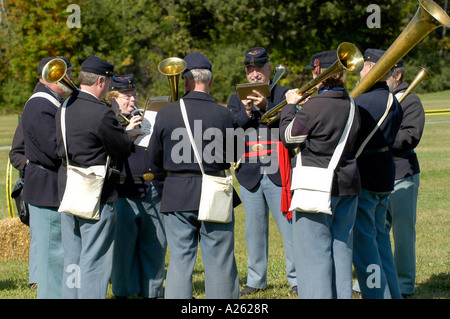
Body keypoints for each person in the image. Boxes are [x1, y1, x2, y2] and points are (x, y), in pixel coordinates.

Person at [148, 52, 240, 299]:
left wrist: (164, 186)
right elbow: (235, 154)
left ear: (185, 79)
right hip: (215, 190)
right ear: (210, 81)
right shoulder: (224, 114)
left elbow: (154, 158)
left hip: (177, 192)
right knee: (220, 261)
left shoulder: (165, 114)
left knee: (179, 262)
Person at [55, 55, 142, 299]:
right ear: (101, 81)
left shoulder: (63, 106)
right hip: (95, 191)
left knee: (73, 258)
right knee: (95, 258)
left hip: (67, 185)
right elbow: (121, 148)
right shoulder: (101, 113)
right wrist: (129, 135)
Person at [279, 51, 361, 298]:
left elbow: (289, 137)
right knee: (341, 252)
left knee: (314, 257)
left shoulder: (314, 105)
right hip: (347, 185)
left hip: (315, 186)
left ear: (318, 73)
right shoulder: (353, 104)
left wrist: (291, 107)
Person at [227, 47, 297, 296]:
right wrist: (246, 112)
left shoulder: (283, 94)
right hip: (250, 171)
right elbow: (232, 130)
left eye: (258, 69)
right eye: (250, 70)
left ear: (269, 69)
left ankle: (296, 278)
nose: (254, 74)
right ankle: (256, 279)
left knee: (289, 227)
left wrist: (267, 105)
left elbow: (291, 122)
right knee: (253, 231)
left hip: (278, 168)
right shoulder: (236, 98)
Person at [107, 74, 167, 299]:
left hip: (153, 187)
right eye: (125, 97)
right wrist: (125, 134)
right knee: (123, 249)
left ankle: (153, 291)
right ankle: (125, 292)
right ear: (113, 98)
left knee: (156, 245)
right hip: (124, 190)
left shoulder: (146, 117)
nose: (132, 101)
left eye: (134, 95)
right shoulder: (109, 121)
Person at [21, 56, 75, 298]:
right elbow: (54, 150)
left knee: (60, 255)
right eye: (66, 74)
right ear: (50, 77)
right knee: (52, 257)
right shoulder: (41, 104)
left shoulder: (52, 101)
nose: (70, 78)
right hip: (46, 190)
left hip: (52, 188)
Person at [352, 49, 403, 299]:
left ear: (371, 68)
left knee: (365, 249)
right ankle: (392, 293)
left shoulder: (363, 101)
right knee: (382, 244)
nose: (359, 71)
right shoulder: (392, 98)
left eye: (362, 66)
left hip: (366, 178)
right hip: (384, 176)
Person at [386, 59, 425, 297]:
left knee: (402, 234)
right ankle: (372, 278)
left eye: (385, 74)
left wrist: (381, 135)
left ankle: (404, 285)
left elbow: (411, 136)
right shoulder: (381, 99)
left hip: (403, 172)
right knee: (374, 231)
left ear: (396, 76)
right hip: (378, 174)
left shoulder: (411, 100)